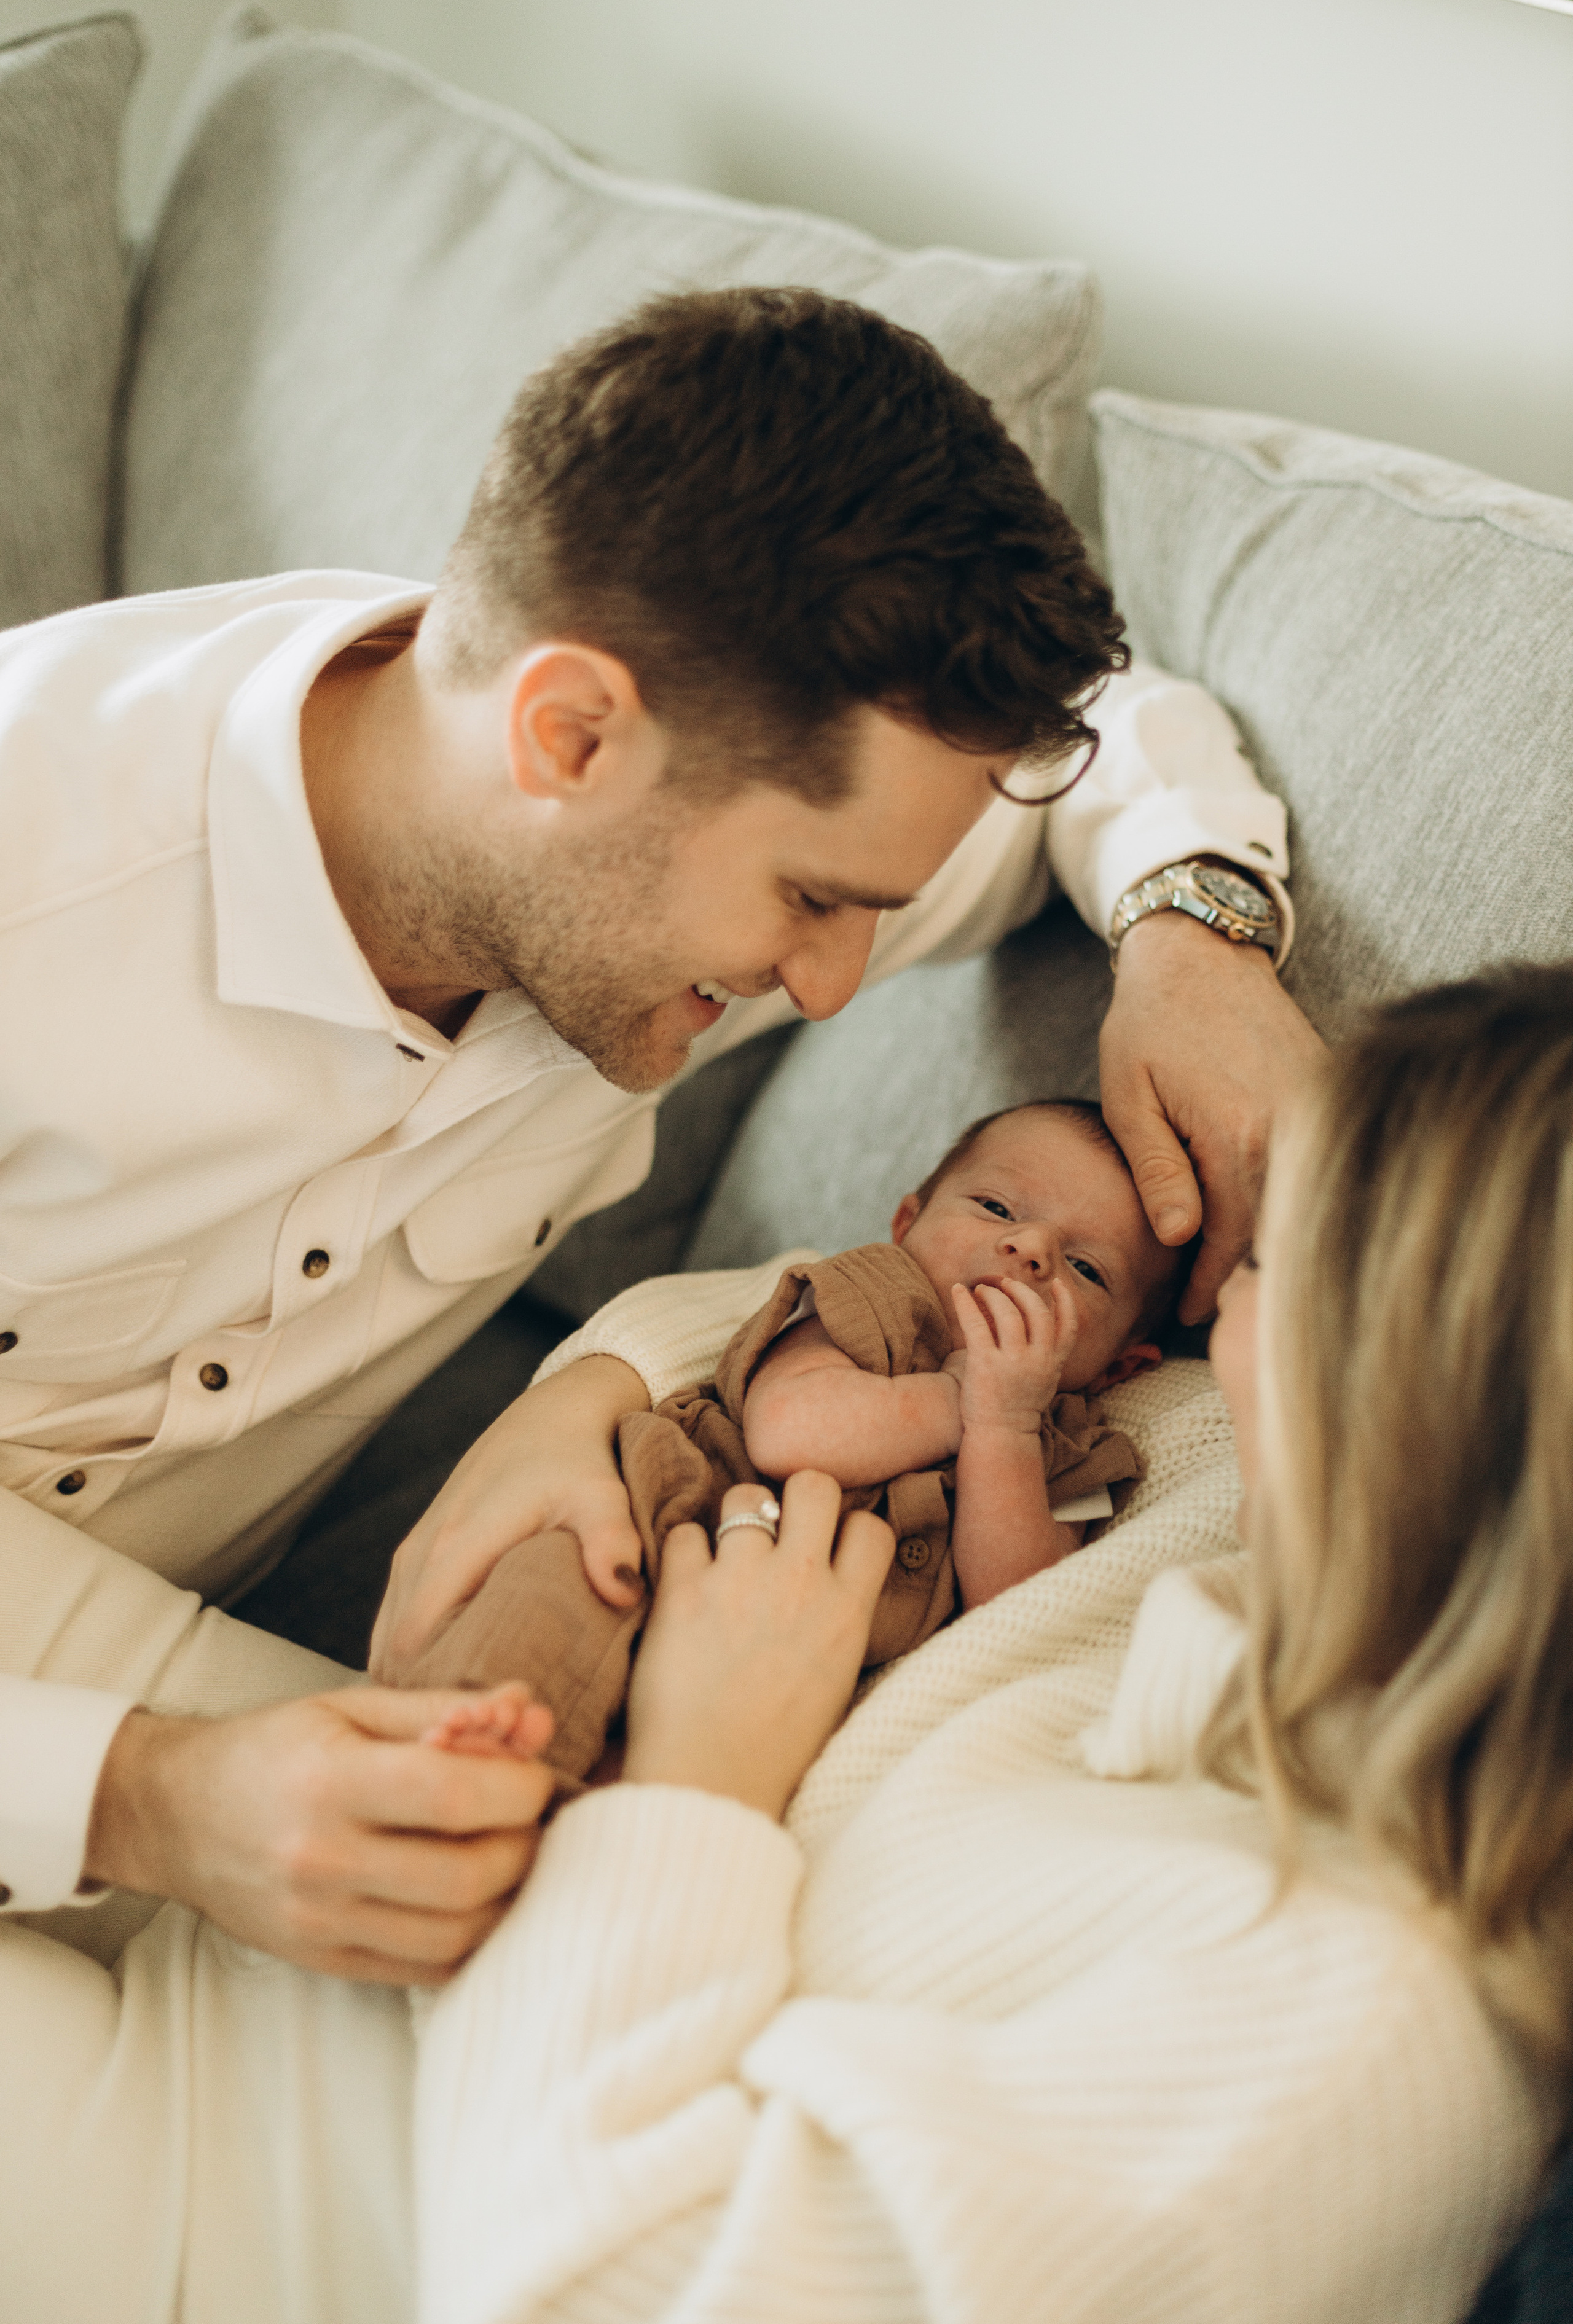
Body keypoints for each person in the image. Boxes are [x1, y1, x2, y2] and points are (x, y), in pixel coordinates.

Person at [1, 283, 1321, 1979]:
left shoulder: (681, 820)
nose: (836, 986)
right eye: (812, 901)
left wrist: (1192, 937)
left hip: (193, 1690)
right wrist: (145, 1802)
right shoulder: (42, 872)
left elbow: (1132, 725)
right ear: (568, 735)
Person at [404, 963, 1573, 2323]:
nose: (1209, 1309)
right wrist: (588, 1392)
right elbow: (830, 1318)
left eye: (1255, 1256)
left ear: (1384, 1377)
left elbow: (579, 2295)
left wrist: (697, 1771)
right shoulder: (1241, 1493)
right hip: (435, 1952)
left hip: (432, 2159)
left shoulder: (1338, 2042)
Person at [399, 1099, 1183, 1783]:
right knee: (546, 1614)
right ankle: (448, 1752)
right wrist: (958, 1399)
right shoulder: (875, 1294)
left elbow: (1015, 1600)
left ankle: (557, 1830)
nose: (1030, 1250)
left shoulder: (1077, 1451)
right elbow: (789, 1431)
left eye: (1084, 1267)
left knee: (663, 1766)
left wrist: (1007, 1427)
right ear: (906, 1224)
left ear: (1122, 1364)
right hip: (661, 1523)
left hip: (795, 1675)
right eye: (996, 1208)